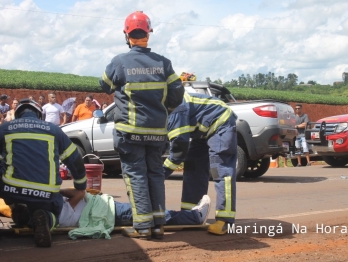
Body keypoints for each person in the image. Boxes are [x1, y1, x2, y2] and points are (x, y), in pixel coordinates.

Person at [99, 11, 184, 240]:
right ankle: (158, 225)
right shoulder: (163, 63)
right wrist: (162, 108)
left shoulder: (120, 61)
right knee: (155, 175)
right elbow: (177, 95)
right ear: (149, 34)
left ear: (127, 35)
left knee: (136, 175)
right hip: (157, 132)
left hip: (130, 132)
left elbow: (104, 85)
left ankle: (143, 227)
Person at [0, 98, 87, 248]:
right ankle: (47, 220)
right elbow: (76, 160)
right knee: (50, 213)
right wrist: (81, 186)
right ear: (39, 114)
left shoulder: (5, 128)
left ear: (18, 114)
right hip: (47, 196)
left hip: (11, 190)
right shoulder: (54, 130)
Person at [163, 91, 237, 236]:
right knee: (193, 167)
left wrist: (161, 173)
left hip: (221, 123)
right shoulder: (163, 109)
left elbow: (179, 151)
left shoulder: (175, 109)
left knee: (220, 169)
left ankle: (225, 220)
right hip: (201, 131)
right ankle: (191, 215)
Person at [58, 189, 210, 231]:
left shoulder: (56, 209)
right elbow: (79, 193)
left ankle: (192, 215)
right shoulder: (60, 214)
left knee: (148, 211)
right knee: (150, 213)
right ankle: (195, 216)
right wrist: (62, 192)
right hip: (106, 212)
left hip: (104, 208)